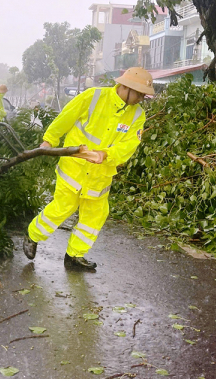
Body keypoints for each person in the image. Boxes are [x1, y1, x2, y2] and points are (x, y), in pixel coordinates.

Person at [23, 67, 155, 270]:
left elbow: (129, 144)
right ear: (126, 87)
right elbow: (66, 117)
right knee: (62, 208)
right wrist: (49, 140)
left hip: (100, 174)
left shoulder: (137, 115)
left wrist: (107, 154)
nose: (140, 99)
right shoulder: (94, 96)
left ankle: (74, 256)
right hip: (74, 167)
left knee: (95, 216)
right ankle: (32, 236)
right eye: (139, 94)